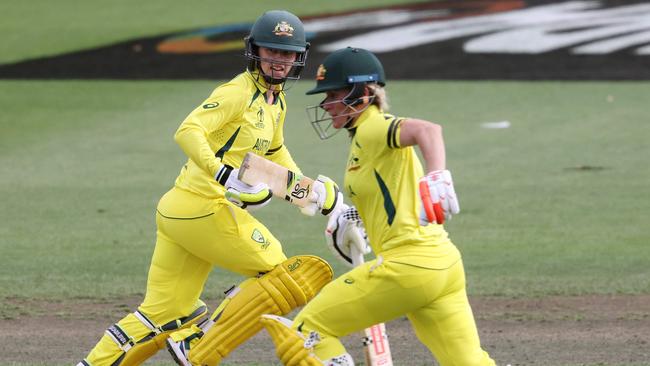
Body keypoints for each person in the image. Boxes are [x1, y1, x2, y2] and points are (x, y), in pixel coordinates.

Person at [77, 10, 342, 366]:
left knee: (165, 312)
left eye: (287, 53)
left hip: (180, 211)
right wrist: (223, 175)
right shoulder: (237, 92)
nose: (280, 61)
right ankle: (197, 346)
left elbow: (275, 153)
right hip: (205, 205)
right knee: (281, 275)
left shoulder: (275, 101)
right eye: (272, 51)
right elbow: (188, 130)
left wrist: (306, 192)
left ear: (299, 57)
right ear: (256, 52)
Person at [260, 47, 496, 366]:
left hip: (408, 269)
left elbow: (428, 130)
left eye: (333, 95)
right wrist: (353, 217)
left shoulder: (373, 128)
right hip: (443, 266)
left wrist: (437, 174)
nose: (326, 105)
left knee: (307, 331)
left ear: (362, 94)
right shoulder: (362, 141)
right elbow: (389, 195)